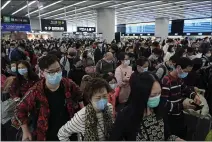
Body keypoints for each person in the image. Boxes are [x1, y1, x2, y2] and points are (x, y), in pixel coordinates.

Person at [12, 54, 83, 141]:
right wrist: (25, 131)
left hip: (68, 133)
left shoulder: (68, 84)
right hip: (46, 135)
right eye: (51, 72)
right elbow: (19, 110)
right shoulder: (35, 92)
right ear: (42, 73)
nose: (56, 74)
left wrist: (82, 111)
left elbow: (80, 95)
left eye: (58, 70)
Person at [109, 72, 183, 141]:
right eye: (153, 95)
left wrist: (176, 139)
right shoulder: (126, 116)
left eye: (159, 93)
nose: (157, 98)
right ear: (141, 95)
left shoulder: (160, 108)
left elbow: (167, 135)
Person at [161, 57, 202, 139]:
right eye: (186, 71)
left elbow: (185, 88)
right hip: (170, 118)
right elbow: (164, 104)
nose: (186, 74)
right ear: (179, 67)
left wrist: (194, 95)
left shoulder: (179, 79)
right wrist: (182, 106)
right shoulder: (166, 81)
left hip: (179, 114)